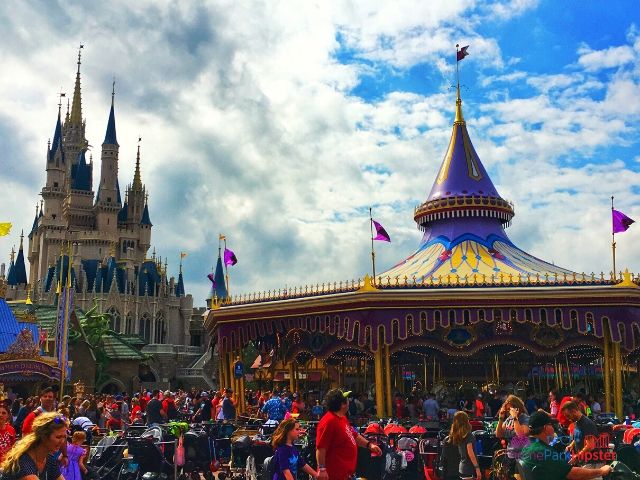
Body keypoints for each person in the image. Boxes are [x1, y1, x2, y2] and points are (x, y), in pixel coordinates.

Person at [521, 410, 611, 480]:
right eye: (552, 425)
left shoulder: (526, 447)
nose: (553, 428)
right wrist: (601, 471)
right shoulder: (543, 451)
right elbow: (573, 474)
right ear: (545, 428)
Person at [316, 389, 382, 480]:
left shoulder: (342, 418)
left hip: (345, 474)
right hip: (333, 475)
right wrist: (322, 469)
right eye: (347, 399)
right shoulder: (329, 421)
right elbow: (321, 448)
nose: (349, 401)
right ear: (342, 404)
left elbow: (354, 435)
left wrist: (369, 445)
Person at [0, 412, 68, 480]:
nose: (62, 441)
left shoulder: (49, 460)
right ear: (44, 437)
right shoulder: (23, 463)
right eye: (58, 437)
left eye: (64, 437)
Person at [446, 411, 481, 480]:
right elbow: (470, 453)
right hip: (469, 468)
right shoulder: (468, 435)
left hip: (462, 467)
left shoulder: (457, 435)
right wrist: (477, 468)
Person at [561, 401, 599, 465]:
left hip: (591, 463)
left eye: (568, 415)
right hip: (583, 462)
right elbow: (578, 437)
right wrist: (571, 445)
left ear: (574, 411)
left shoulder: (587, 424)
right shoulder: (576, 422)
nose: (567, 418)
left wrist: (577, 456)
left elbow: (590, 446)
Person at [496, 394, 530, 463]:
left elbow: (521, 435)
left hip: (523, 456)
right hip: (510, 456)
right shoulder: (509, 420)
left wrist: (515, 418)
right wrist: (501, 419)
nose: (509, 412)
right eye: (507, 410)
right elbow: (498, 434)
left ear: (517, 408)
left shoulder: (525, 418)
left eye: (510, 409)